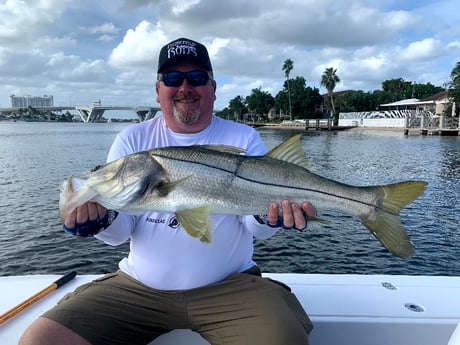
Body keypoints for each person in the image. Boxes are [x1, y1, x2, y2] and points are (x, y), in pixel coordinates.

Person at [20, 37, 315, 345]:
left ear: (213, 89)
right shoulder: (132, 140)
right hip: (137, 290)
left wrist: (271, 218)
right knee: (40, 340)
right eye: (173, 78)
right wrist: (101, 222)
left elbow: (255, 228)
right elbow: (121, 233)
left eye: (197, 78)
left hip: (231, 288)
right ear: (158, 90)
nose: (185, 87)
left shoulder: (242, 136)